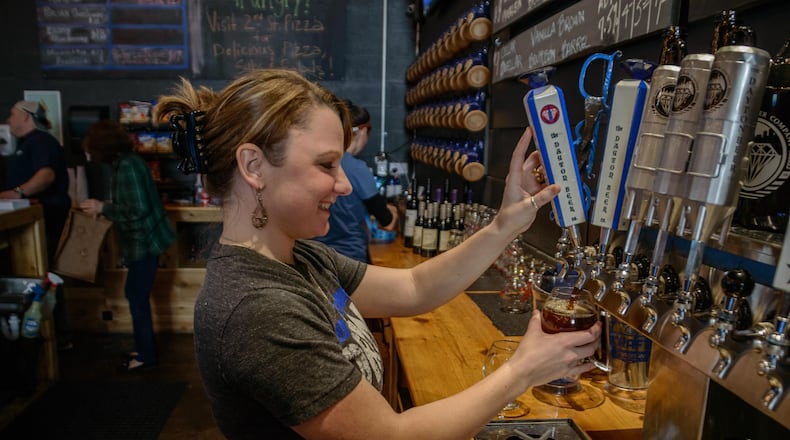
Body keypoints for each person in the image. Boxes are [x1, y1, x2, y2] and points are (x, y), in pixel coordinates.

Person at [154, 68, 599, 439]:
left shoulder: (301, 259)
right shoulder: (257, 308)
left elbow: (413, 287)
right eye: (326, 165)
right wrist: (522, 370)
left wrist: (507, 224)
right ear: (253, 167)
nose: (345, 184)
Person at [79, 120, 175, 372]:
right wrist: (107, 206)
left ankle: (145, 355)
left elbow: (138, 209)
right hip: (143, 243)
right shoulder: (128, 163)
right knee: (136, 297)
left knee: (136, 298)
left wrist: (103, 207)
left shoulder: (128, 166)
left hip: (144, 243)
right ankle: (144, 350)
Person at [1, 100, 72, 349]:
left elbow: (46, 176)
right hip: (33, 223)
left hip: (44, 221)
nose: (8, 120)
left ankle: (54, 337)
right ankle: (47, 336)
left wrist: (16, 193)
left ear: (27, 116)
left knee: (46, 276)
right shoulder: (28, 143)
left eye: (12, 114)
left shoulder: (42, 141)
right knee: (43, 275)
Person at [313, 101, 398, 263]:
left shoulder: (319, 161)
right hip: (350, 257)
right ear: (363, 131)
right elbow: (386, 221)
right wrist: (393, 212)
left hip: (316, 254)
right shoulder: (358, 168)